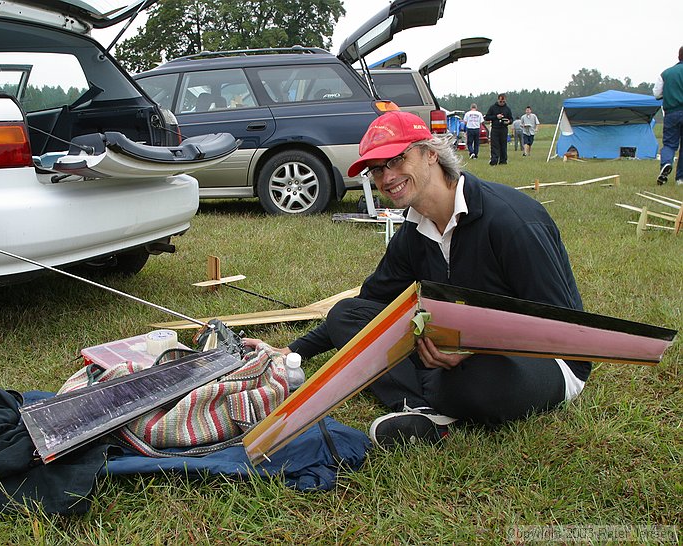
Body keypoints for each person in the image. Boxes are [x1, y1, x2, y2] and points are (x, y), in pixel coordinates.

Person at [245, 111, 590, 449]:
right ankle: (422, 410)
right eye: (377, 169)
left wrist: (472, 347)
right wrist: (292, 351)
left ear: (431, 154)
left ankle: (432, 395)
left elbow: (559, 327)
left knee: (477, 380)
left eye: (396, 160)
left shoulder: (513, 222)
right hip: (450, 351)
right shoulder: (414, 228)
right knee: (346, 316)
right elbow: (371, 306)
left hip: (543, 360)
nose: (386, 177)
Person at [654, 46, 683, 185]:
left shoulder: (666, 73)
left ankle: (666, 163)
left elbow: (657, 94)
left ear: (679, 56)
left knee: (669, 144)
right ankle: (680, 178)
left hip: (672, 113)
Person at [485, 94, 513, 165]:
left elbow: (511, 119)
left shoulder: (507, 109)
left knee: (503, 145)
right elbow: (487, 117)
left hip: (504, 129)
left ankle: (503, 161)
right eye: (500, 101)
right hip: (495, 129)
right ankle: (494, 160)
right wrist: (496, 117)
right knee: (494, 145)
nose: (502, 103)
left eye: (503, 101)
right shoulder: (493, 108)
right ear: (498, 100)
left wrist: (509, 121)